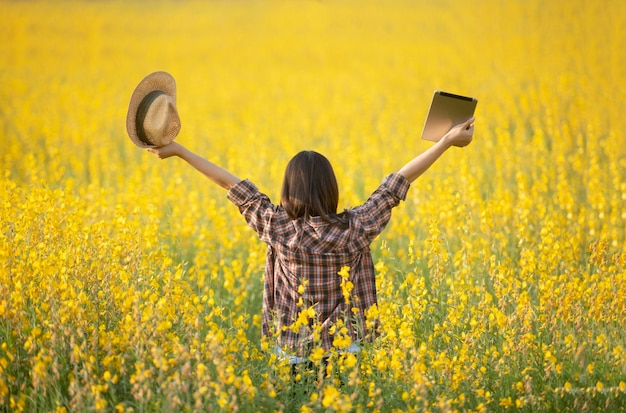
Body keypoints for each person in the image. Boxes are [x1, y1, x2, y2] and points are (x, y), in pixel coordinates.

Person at [147, 117, 474, 365]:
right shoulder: (355, 229)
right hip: (347, 348)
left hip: (291, 349)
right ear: (331, 188)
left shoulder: (276, 226)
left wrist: (179, 150)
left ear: (287, 189)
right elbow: (396, 184)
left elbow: (231, 184)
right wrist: (445, 140)